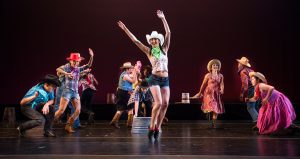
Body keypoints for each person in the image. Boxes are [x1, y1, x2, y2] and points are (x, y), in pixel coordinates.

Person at [117, 10, 171, 140]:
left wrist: (163, 18)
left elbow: (168, 33)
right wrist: (125, 29)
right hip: (154, 79)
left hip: (165, 79)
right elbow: (135, 41)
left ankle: (157, 126)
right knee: (158, 103)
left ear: (158, 40)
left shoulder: (165, 49)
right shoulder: (148, 51)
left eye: (155, 39)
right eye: (151, 40)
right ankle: (152, 126)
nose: (153, 41)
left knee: (165, 104)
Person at [55, 49, 94, 133]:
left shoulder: (78, 69)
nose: (76, 63)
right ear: (71, 61)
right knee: (61, 111)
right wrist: (66, 73)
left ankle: (68, 125)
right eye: (74, 61)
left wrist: (91, 56)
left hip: (75, 92)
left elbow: (89, 65)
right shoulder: (66, 67)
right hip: (67, 91)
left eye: (77, 61)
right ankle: (49, 122)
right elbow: (58, 69)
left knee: (78, 110)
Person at [192, 59, 225, 128]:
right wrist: (200, 92)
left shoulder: (221, 76)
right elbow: (203, 84)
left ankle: (213, 123)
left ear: (218, 67)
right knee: (211, 106)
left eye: (216, 65)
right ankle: (209, 113)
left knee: (216, 108)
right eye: (214, 65)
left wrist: (222, 89)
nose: (215, 66)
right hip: (209, 93)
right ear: (211, 67)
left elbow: (222, 84)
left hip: (216, 93)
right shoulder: (208, 75)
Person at [110, 62, 137, 128]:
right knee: (125, 108)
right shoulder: (124, 75)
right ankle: (115, 122)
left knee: (128, 108)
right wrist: (135, 72)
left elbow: (134, 79)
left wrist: (135, 72)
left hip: (125, 92)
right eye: (130, 68)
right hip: (124, 93)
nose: (131, 69)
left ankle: (128, 124)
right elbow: (134, 81)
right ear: (127, 69)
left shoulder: (127, 74)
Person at [237, 57, 259, 127]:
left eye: (239, 63)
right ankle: (262, 122)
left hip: (252, 89)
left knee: (250, 107)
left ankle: (259, 123)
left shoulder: (243, 71)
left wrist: (241, 94)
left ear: (241, 64)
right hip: (257, 88)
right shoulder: (251, 70)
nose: (238, 65)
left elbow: (245, 84)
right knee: (255, 107)